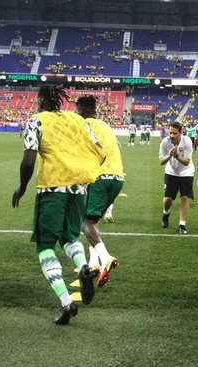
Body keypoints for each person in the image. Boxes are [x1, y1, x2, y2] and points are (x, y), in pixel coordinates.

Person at [12, 85, 104, 325]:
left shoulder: (36, 121)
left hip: (53, 187)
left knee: (45, 246)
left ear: (41, 101)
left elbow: (28, 159)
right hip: (79, 188)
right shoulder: (78, 120)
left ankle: (66, 302)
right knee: (69, 237)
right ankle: (84, 266)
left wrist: (22, 187)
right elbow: (100, 151)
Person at [75, 95, 120, 287]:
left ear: (81, 109)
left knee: (86, 224)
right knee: (92, 222)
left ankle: (105, 258)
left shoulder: (84, 125)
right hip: (117, 178)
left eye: (77, 110)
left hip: (99, 178)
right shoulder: (106, 126)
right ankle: (94, 265)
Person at [160, 122, 194, 235]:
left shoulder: (187, 141)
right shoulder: (165, 142)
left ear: (180, 132)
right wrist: (170, 155)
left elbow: (187, 162)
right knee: (168, 199)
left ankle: (182, 225)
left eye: (175, 133)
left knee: (185, 197)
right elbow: (161, 161)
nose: (172, 135)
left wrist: (177, 156)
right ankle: (166, 213)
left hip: (186, 172)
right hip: (171, 172)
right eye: (170, 132)